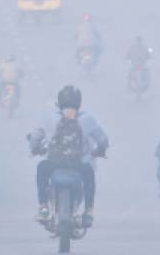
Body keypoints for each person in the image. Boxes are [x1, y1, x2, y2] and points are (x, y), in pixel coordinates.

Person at [30, 86, 109, 229]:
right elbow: (103, 140)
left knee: (41, 168)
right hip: (78, 165)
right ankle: (88, 211)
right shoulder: (88, 119)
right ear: (79, 102)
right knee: (89, 176)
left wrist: (35, 148)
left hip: (54, 163)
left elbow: (35, 137)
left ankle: (43, 207)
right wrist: (100, 151)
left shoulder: (50, 117)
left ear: (60, 101)